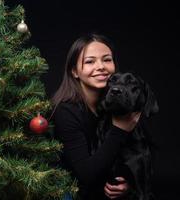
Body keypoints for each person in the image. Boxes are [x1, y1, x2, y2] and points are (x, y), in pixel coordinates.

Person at [51, 33, 144, 199]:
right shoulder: (65, 112)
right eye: (90, 61)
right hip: (68, 193)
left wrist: (127, 182)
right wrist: (119, 130)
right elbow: (86, 175)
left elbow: (128, 157)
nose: (101, 66)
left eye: (107, 59)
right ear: (75, 71)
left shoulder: (114, 105)